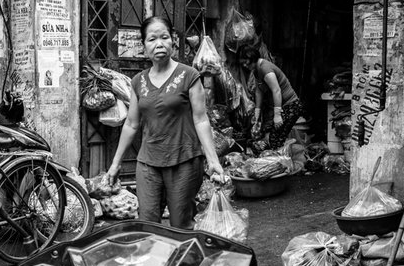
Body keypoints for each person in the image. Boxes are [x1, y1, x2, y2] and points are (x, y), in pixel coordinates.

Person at [107, 15, 224, 229]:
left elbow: (201, 120)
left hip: (184, 161)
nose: (159, 43)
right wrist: (115, 165)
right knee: (148, 223)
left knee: (180, 224)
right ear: (144, 46)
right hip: (148, 163)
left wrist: (213, 161)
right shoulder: (138, 82)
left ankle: (184, 262)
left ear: (173, 41)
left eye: (164, 37)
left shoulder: (189, 75)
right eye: (152, 39)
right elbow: (131, 124)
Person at [239, 44, 303, 150]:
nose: (245, 65)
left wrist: (277, 115)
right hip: (285, 107)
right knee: (274, 139)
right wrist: (257, 112)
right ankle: (280, 162)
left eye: (245, 62)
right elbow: (259, 91)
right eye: (242, 64)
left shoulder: (265, 68)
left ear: (251, 57)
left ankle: (281, 163)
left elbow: (276, 90)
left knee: (275, 139)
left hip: (291, 106)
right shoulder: (256, 70)